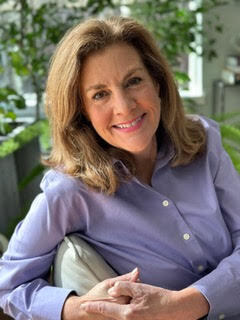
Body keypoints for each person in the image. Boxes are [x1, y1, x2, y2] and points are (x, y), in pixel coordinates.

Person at [0, 16, 240, 320]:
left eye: (134, 81)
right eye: (100, 94)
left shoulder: (204, 141)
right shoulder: (69, 191)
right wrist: (79, 308)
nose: (125, 106)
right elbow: (7, 286)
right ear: (81, 111)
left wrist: (185, 303)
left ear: (157, 82)